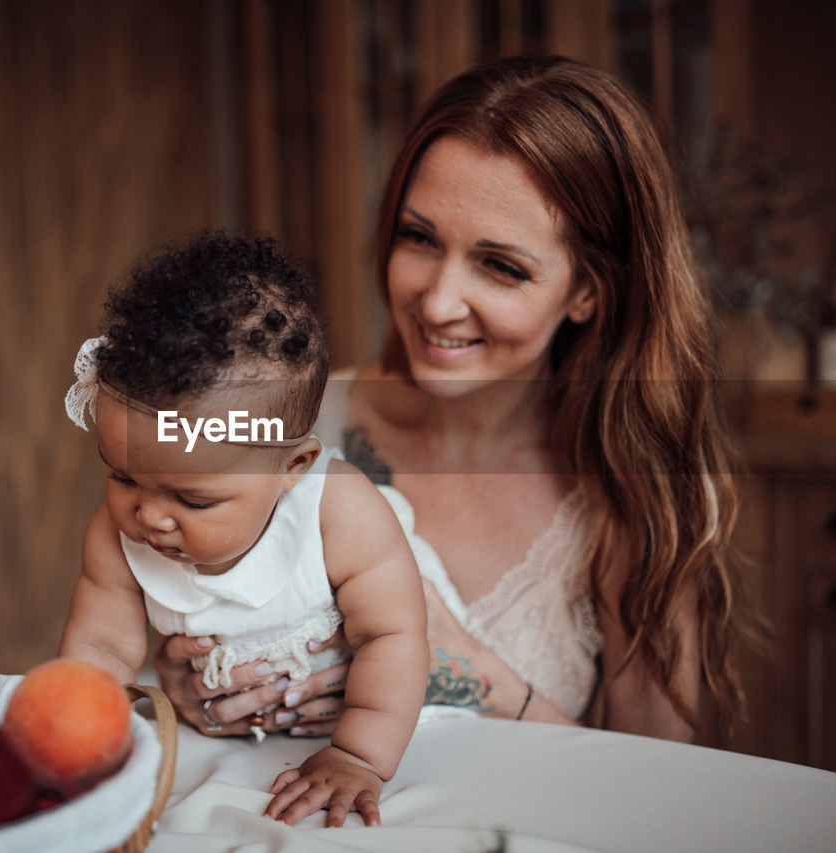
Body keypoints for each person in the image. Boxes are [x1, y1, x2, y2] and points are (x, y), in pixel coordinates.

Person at [155, 55, 746, 743]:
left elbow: (661, 796)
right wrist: (185, 685)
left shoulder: (634, 497)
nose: (437, 301)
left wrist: (472, 673)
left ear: (588, 291)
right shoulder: (289, 422)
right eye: (419, 238)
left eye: (500, 266)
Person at [58, 231, 429, 827]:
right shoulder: (115, 536)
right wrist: (71, 736)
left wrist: (357, 755)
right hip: (222, 737)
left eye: (194, 499)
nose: (149, 516)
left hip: (375, 722)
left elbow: (393, 638)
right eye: (123, 477)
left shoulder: (339, 513)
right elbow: (97, 650)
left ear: (292, 468)